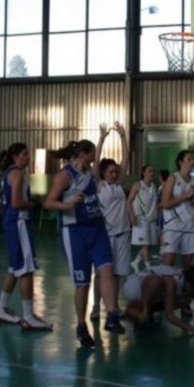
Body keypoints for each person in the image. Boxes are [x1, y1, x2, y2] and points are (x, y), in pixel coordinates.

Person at [43, 137, 125, 349]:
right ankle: (81, 325)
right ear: (83, 154)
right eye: (92, 154)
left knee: (107, 270)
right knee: (83, 284)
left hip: (97, 229)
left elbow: (111, 164)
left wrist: (110, 136)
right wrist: (69, 204)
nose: (95, 158)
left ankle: (112, 315)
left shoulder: (91, 173)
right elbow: (49, 202)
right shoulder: (65, 176)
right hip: (75, 233)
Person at [0, 143, 53, 331]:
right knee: (26, 270)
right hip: (19, 223)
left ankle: (1, 308)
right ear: (15, 156)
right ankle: (28, 316)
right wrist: (35, 205)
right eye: (25, 154)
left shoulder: (9, 173)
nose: (29, 157)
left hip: (12, 224)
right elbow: (17, 202)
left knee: (14, 268)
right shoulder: (17, 174)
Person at [91, 121, 130, 321]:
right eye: (111, 172)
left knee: (116, 274)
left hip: (122, 234)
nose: (114, 174)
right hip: (104, 235)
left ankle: (113, 307)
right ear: (104, 174)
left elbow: (125, 159)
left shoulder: (119, 184)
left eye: (116, 172)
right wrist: (102, 138)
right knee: (101, 274)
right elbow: (96, 162)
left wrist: (123, 137)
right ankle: (96, 306)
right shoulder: (100, 185)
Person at [123, 264, 194, 335]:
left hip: (146, 290)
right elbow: (170, 316)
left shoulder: (186, 281)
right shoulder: (172, 282)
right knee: (156, 281)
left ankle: (147, 312)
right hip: (134, 289)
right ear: (189, 282)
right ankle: (142, 312)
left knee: (186, 300)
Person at [160, 151, 194, 270]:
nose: (193, 162)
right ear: (180, 162)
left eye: (193, 159)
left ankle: (186, 287)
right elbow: (165, 204)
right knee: (169, 262)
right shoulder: (173, 178)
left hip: (190, 225)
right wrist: (185, 196)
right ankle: (167, 287)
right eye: (189, 159)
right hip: (173, 225)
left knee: (187, 266)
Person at [127, 165, 158, 273]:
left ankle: (135, 262)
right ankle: (149, 269)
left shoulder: (154, 186)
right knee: (145, 245)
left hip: (152, 220)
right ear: (143, 173)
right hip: (141, 219)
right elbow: (129, 201)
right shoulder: (137, 185)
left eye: (153, 171)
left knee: (150, 245)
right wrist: (131, 216)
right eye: (149, 171)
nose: (152, 173)